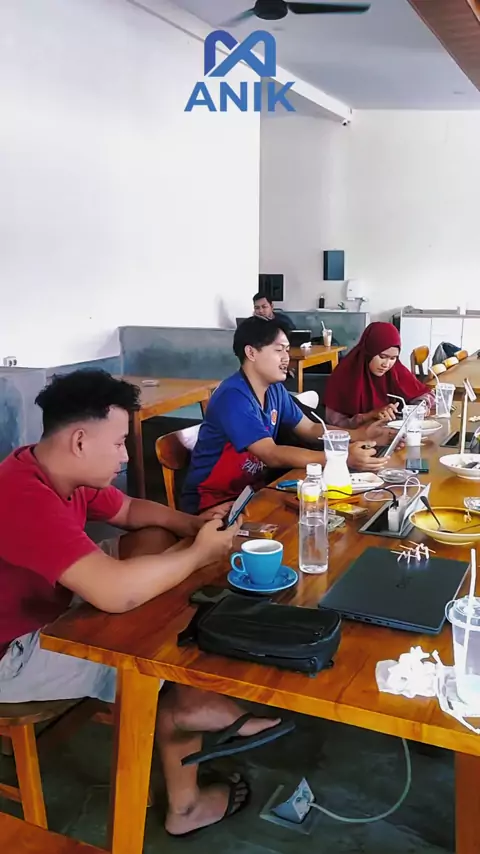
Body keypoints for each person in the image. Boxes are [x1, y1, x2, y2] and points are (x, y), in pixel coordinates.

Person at [0, 369, 289, 836]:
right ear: (79, 441)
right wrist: (196, 555)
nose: (124, 454)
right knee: (153, 651)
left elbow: (130, 510)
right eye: (118, 443)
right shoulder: (21, 496)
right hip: (10, 656)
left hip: (49, 603)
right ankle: (185, 788)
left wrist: (192, 526)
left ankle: (189, 694)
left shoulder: (55, 467)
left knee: (155, 539)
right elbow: (114, 592)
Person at [181, 318, 394, 514]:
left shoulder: (274, 389)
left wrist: (360, 434)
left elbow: (309, 428)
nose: (287, 357)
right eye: (279, 350)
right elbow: (271, 453)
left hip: (250, 495)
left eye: (287, 350)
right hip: (212, 504)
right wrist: (338, 459)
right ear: (251, 353)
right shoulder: (233, 397)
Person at [324, 321, 435, 429]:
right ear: (369, 352)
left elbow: (424, 394)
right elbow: (334, 423)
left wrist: (420, 407)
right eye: (382, 357)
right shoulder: (345, 374)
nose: (386, 364)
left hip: (389, 433)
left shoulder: (395, 370)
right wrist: (369, 416)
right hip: (357, 438)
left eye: (393, 358)